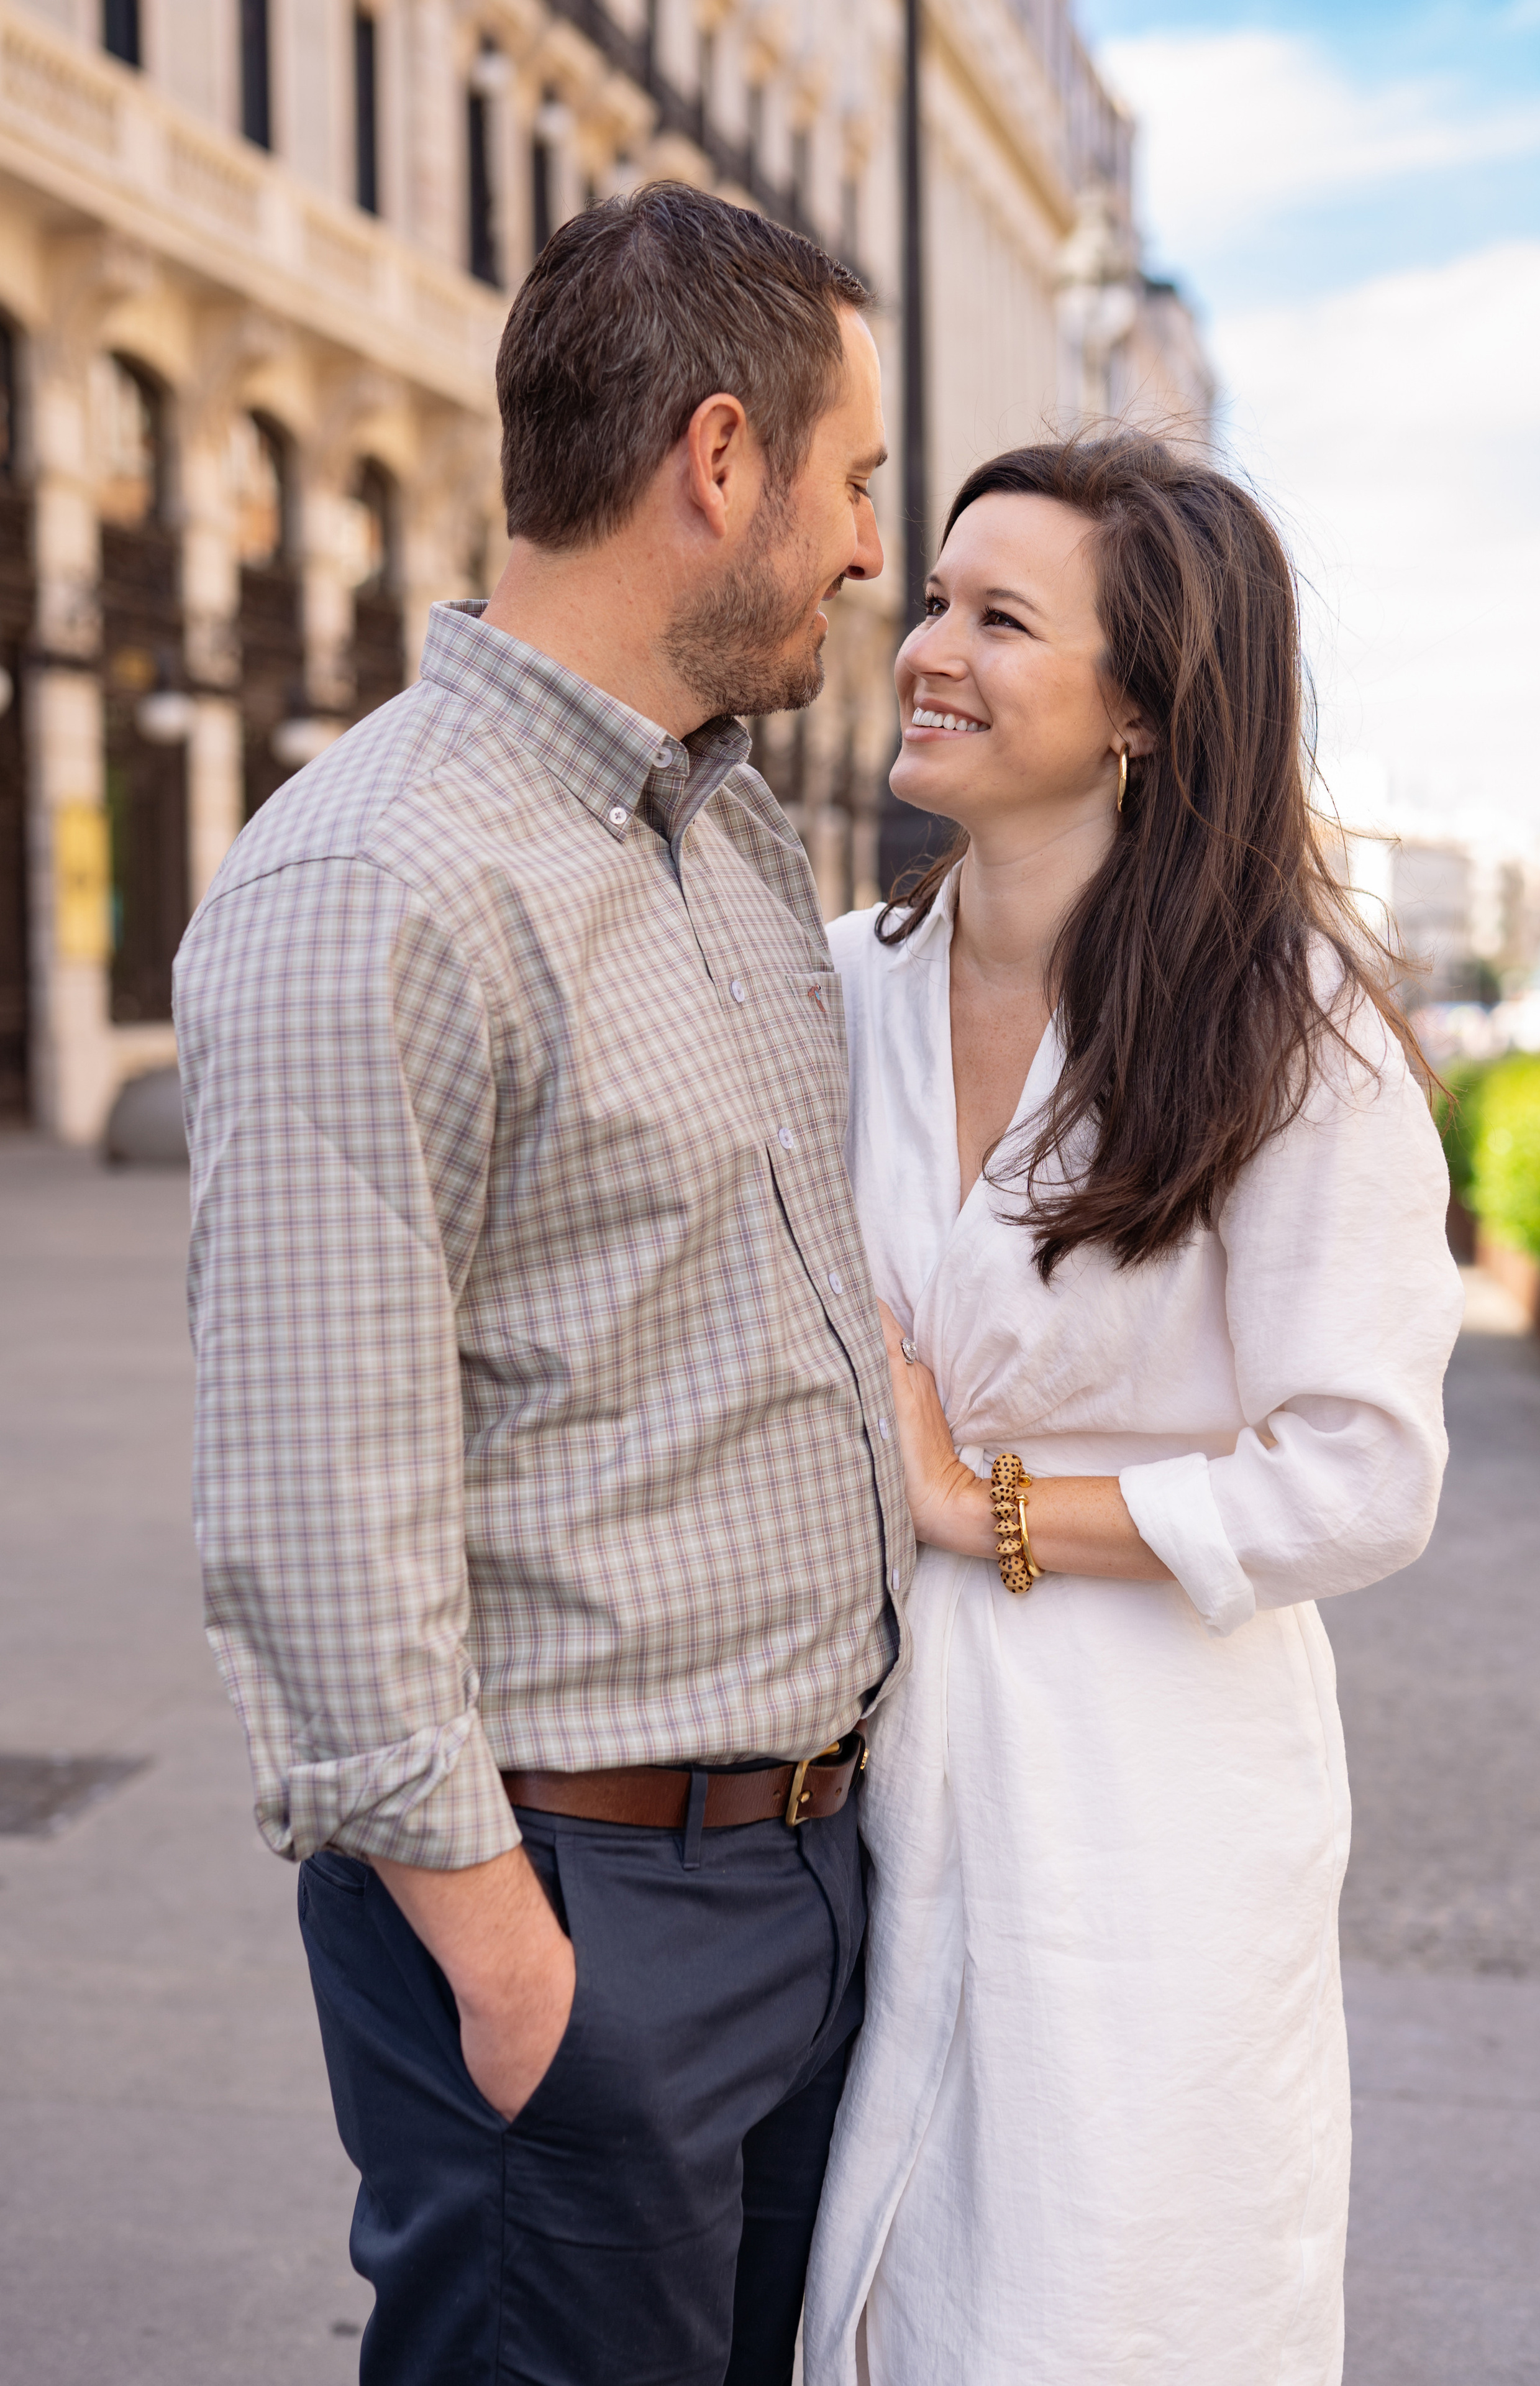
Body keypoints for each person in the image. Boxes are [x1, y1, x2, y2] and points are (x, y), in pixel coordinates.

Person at [175, 184, 911, 2386]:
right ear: (718, 462)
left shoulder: (728, 831)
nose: (872, 548)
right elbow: (315, 1512)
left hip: (801, 1878)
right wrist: (507, 1961)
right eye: (855, 480)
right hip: (577, 1916)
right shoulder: (372, 876)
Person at [801, 434, 1464, 2385]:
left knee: (1099, 2311)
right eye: (932, 596)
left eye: (1002, 618)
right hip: (850, 1778)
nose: (928, 645)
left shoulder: (1296, 1036)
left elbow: (1367, 1471)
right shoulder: (838, 984)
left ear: (1148, 711)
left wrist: (980, 1501)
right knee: (863, 2303)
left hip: (1147, 1813)